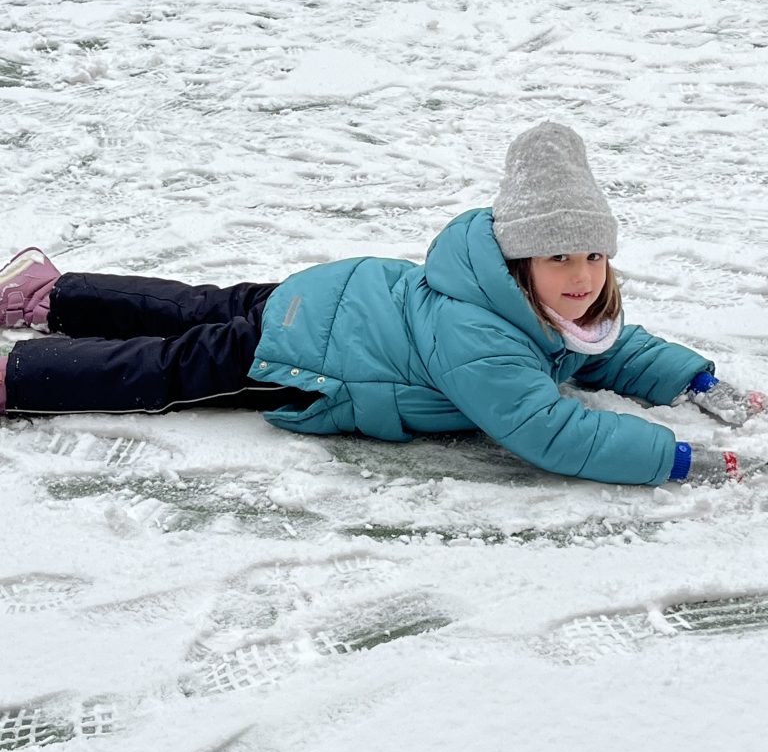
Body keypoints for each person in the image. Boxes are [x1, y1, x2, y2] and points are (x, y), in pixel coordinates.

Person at [0, 123, 764, 487]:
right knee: (174, 365)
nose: (581, 276)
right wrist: (676, 458)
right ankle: (21, 377)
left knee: (201, 304)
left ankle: (45, 292)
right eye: (559, 257)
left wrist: (698, 382)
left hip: (332, 295)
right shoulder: (481, 340)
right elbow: (551, 431)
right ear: (517, 262)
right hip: (315, 359)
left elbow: (615, 348)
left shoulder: (533, 297)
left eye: (593, 255)